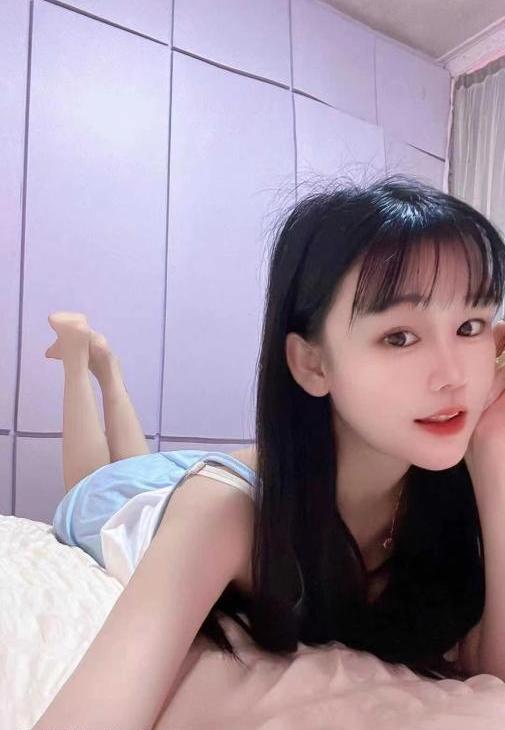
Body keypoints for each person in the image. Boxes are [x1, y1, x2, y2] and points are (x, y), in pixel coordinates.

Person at [36, 173, 505, 729]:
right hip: (133, 500)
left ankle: (110, 371)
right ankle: (83, 364)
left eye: (470, 325)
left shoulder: (443, 478)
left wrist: (493, 455)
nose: (453, 376)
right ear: (312, 363)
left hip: (235, 475)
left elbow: (491, 669)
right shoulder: (222, 513)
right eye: (399, 337)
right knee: (97, 480)